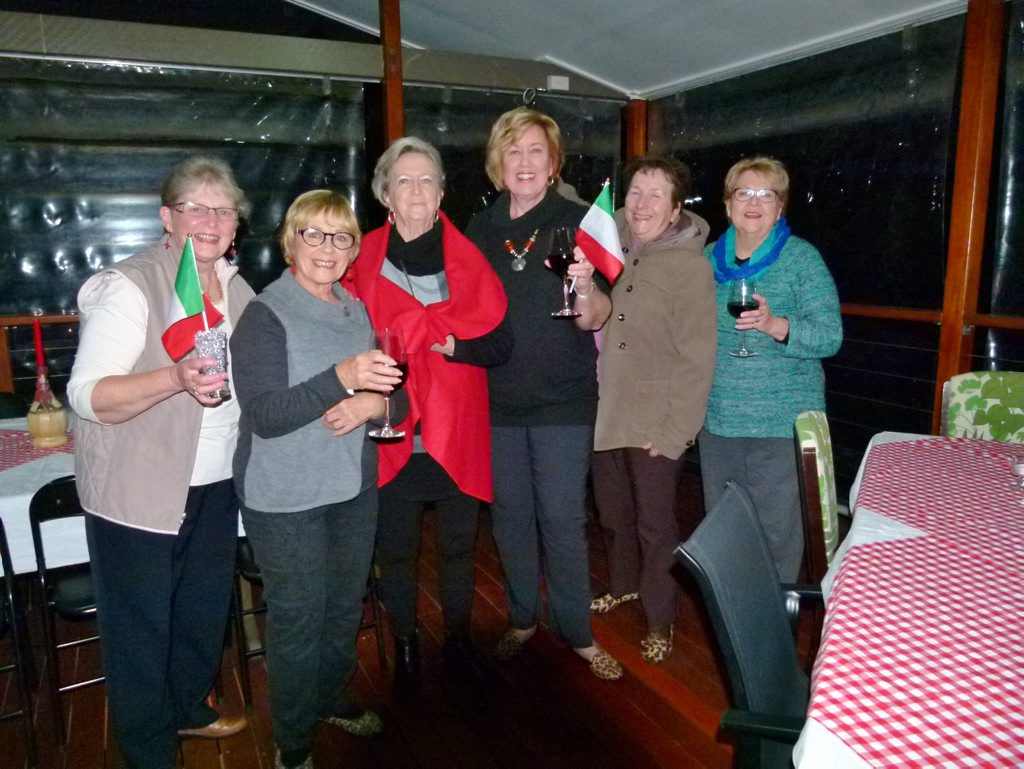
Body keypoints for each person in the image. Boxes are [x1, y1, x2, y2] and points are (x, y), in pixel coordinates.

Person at [68, 156, 251, 769]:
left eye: (222, 210)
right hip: (138, 489)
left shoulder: (240, 289)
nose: (210, 219)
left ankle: (186, 709)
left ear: (235, 225)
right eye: (195, 207)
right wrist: (173, 377)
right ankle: (148, 751)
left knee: (201, 610)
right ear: (167, 218)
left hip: (217, 479)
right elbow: (87, 395)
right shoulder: (131, 285)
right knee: (141, 629)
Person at [231, 190, 402, 769]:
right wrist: (341, 377)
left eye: (341, 237)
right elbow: (266, 415)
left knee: (342, 608)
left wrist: (373, 408)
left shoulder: (355, 310)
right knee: (299, 619)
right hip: (284, 498)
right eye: (313, 234)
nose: (327, 248)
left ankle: (328, 699)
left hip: (351, 488)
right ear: (290, 241)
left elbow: (390, 401)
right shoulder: (264, 314)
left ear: (353, 249)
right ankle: (293, 741)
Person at [345, 137, 510, 691]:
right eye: (404, 180)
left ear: (442, 192)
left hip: (456, 428)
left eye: (426, 180)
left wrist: (448, 345)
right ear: (385, 193)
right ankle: (408, 646)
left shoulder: (469, 258)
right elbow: (339, 336)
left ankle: (460, 642)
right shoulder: (360, 256)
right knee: (396, 550)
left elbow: (499, 344)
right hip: (391, 428)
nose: (415, 190)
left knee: (461, 547)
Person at [465, 107, 622, 680]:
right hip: (496, 400)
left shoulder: (580, 221)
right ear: (497, 164)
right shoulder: (477, 230)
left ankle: (577, 632)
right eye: (513, 151)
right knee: (509, 519)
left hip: (563, 399)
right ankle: (523, 619)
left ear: (553, 164)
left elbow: (597, 316)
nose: (524, 161)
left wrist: (583, 288)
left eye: (536, 151)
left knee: (560, 518)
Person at [589, 156, 716, 664]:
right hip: (605, 405)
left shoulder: (690, 267)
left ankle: (661, 616)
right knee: (613, 512)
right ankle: (623, 585)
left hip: (655, 416)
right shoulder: (604, 243)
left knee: (655, 525)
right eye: (636, 192)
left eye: (655, 195)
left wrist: (674, 431)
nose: (641, 203)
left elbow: (697, 358)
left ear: (676, 208)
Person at [700, 156, 842, 582]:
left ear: (781, 207)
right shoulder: (706, 260)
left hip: (779, 421)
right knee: (722, 531)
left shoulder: (802, 260)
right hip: (718, 417)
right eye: (744, 192)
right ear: (728, 205)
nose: (754, 201)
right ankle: (733, 613)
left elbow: (830, 336)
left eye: (767, 194)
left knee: (777, 536)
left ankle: (775, 621)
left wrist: (776, 325)